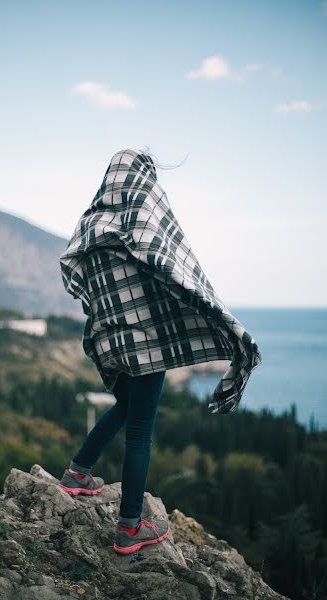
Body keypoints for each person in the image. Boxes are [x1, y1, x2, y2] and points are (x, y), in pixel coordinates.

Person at [58, 148, 262, 554]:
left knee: (129, 408)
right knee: (140, 432)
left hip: (114, 339)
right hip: (146, 345)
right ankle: (130, 526)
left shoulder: (89, 228)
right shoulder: (142, 223)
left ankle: (78, 471)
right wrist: (217, 316)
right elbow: (176, 270)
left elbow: (82, 281)